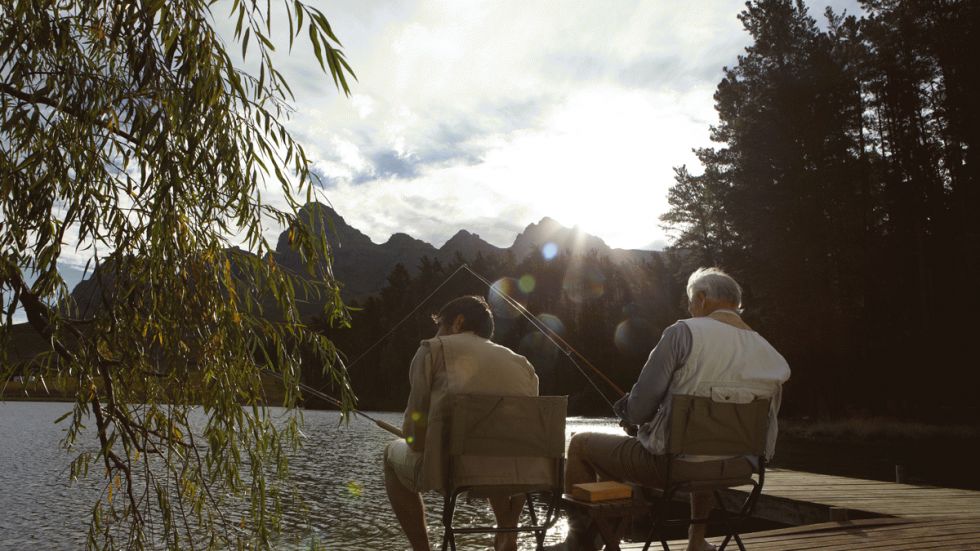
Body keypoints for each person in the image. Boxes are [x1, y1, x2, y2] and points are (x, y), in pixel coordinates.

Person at [558, 268, 791, 551]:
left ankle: (579, 544)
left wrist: (630, 415)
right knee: (704, 447)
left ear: (702, 298)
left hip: (674, 468)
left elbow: (639, 409)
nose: (690, 309)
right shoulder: (769, 352)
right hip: (740, 467)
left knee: (580, 444)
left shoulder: (683, 333)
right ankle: (696, 541)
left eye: (691, 302)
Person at [383, 295, 540, 551]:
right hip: (516, 474)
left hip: (452, 472)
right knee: (498, 454)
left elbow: (415, 439)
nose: (437, 334)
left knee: (390, 455)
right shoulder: (522, 364)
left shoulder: (432, 350)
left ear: (457, 322)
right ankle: (507, 528)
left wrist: (413, 435)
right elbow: (525, 442)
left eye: (439, 326)